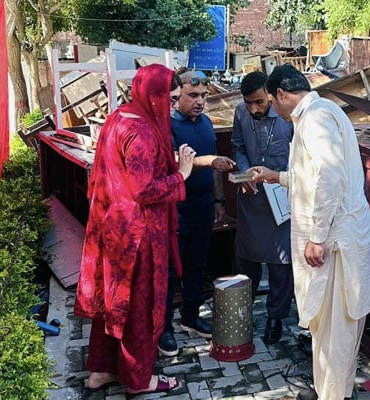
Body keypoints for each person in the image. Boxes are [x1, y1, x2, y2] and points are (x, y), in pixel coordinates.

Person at [251, 65, 370, 400]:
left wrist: (317, 237)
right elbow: (313, 177)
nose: (274, 110)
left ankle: (333, 395)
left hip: (336, 243)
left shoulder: (317, 118)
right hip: (335, 239)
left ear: (281, 94)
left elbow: (328, 177)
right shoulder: (319, 113)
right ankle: (330, 393)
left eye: (271, 101)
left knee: (336, 333)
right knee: (327, 333)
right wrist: (276, 176)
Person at [74, 64, 195, 397]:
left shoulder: (118, 118)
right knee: (140, 309)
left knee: (112, 305)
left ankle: (100, 372)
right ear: (152, 95)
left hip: (111, 229)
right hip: (138, 237)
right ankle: (140, 380)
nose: (171, 106)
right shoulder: (141, 132)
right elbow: (144, 190)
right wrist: (180, 174)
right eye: (169, 100)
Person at [158, 69, 236, 356]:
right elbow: (174, 162)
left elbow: (213, 169)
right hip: (175, 209)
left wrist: (219, 201)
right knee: (169, 272)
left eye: (204, 95)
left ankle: (190, 316)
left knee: (197, 265)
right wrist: (210, 161)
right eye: (193, 95)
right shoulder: (166, 126)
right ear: (178, 96)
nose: (200, 101)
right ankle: (163, 328)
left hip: (203, 206)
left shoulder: (205, 124)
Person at [231, 71, 294, 344]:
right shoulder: (240, 112)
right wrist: (245, 174)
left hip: (282, 195)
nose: (253, 109)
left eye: (258, 102)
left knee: (281, 263)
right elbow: (238, 145)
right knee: (247, 259)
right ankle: (242, 312)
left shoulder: (287, 114)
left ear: (271, 95)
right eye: (248, 103)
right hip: (252, 194)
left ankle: (275, 317)